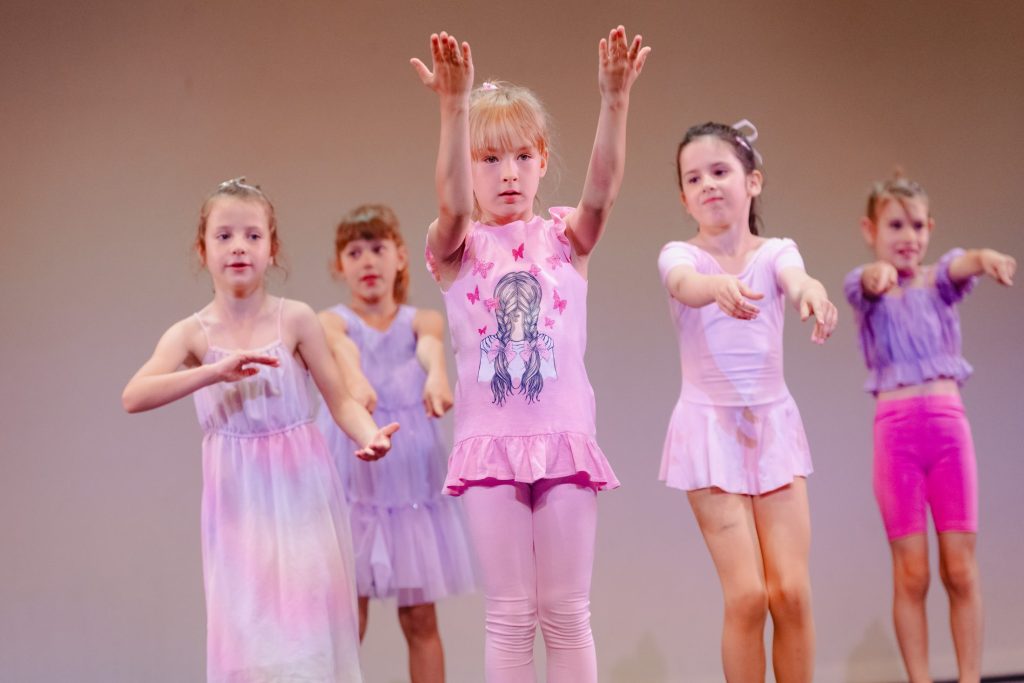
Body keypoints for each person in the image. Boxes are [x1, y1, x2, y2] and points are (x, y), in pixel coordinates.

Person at [410, 25, 649, 682]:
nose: (508, 172)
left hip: (564, 442)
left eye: (521, 156)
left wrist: (615, 99)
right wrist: (453, 107)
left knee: (567, 613)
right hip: (490, 448)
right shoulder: (457, 247)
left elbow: (602, 189)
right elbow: (451, 204)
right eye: (489, 159)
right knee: (511, 615)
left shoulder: (564, 236)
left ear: (543, 160)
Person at [122, 178, 397, 683]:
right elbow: (134, 395)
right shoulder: (191, 333)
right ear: (202, 250)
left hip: (301, 497)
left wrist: (369, 435)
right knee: (249, 636)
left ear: (272, 248)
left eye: (252, 235)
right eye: (224, 236)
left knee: (307, 634)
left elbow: (339, 401)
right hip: (238, 504)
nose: (239, 247)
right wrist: (212, 372)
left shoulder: (296, 320)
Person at [658, 122, 837, 682]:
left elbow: (797, 277)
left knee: (791, 593)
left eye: (720, 171)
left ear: (752, 181)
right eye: (694, 178)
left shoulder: (776, 251)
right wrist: (716, 286)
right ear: (683, 197)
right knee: (748, 596)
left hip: (772, 428)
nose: (708, 185)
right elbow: (683, 284)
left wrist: (812, 293)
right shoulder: (680, 255)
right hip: (708, 433)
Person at [844, 172, 1015, 683]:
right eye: (895, 225)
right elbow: (866, 282)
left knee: (959, 569)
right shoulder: (866, 286)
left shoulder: (939, 283)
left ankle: (969, 677)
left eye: (917, 226)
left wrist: (986, 257)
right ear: (870, 230)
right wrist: (876, 274)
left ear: (930, 229)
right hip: (896, 439)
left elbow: (963, 263)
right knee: (912, 572)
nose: (908, 236)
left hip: (948, 435)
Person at [316, 203, 474, 683]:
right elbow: (341, 350)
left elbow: (430, 349)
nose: (367, 261)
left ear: (401, 256)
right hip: (355, 478)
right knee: (348, 618)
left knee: (420, 618)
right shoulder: (332, 321)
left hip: (409, 481)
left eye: (377, 249)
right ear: (339, 265)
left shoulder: (421, 319)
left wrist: (438, 377)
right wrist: (355, 381)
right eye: (354, 252)